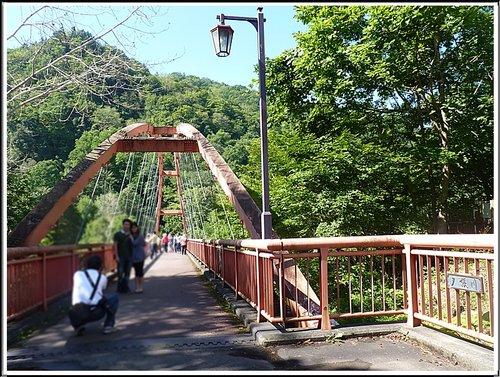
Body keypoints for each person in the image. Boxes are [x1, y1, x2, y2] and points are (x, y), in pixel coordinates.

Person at [70, 255, 119, 335]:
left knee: (78, 302)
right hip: (95, 312)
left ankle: (78, 326)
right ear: (100, 266)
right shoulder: (102, 278)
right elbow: (102, 290)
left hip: (77, 312)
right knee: (114, 298)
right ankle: (108, 326)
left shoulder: (77, 275)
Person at [113, 218, 133, 293]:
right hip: (121, 257)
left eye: (128, 224)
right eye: (125, 224)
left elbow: (135, 246)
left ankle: (126, 288)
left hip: (129, 257)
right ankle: (120, 288)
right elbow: (115, 245)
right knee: (120, 273)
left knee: (127, 273)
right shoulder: (118, 234)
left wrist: (132, 239)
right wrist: (117, 256)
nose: (127, 226)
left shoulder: (131, 235)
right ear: (123, 225)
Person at [130, 222, 146, 293]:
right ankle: (137, 287)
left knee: (140, 272)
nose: (133, 229)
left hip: (140, 256)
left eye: (134, 227)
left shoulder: (140, 235)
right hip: (134, 257)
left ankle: (141, 287)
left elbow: (134, 243)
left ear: (137, 228)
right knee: (136, 272)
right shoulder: (132, 235)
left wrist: (131, 238)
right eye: (132, 228)